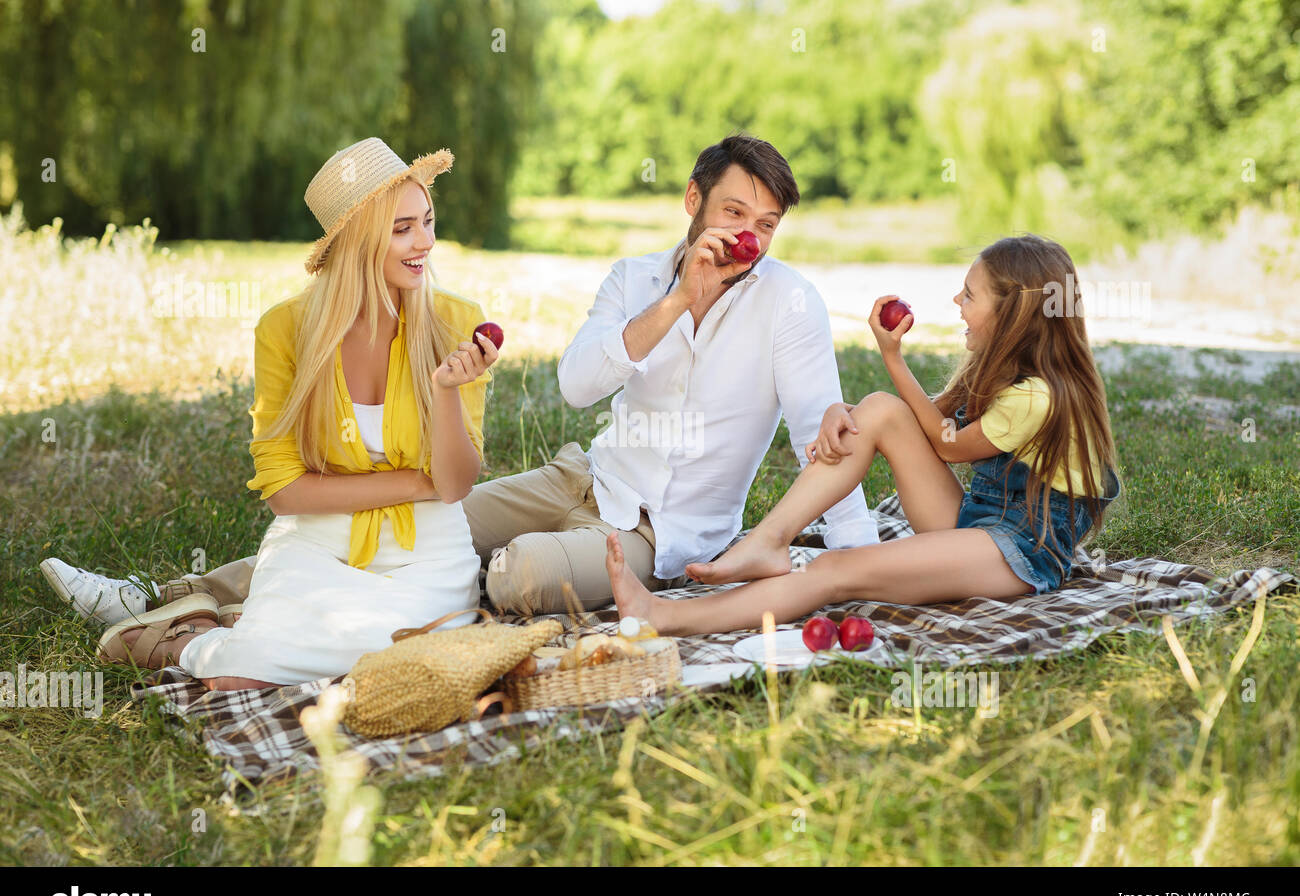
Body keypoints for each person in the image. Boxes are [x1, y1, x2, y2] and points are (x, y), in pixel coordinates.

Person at [43, 134, 879, 625]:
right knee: (407, 520)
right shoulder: (634, 278)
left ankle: (288, 621)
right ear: (693, 201)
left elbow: (822, 434)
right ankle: (166, 595)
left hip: (660, 537)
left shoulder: (791, 305)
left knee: (510, 576)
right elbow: (576, 386)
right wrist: (677, 303)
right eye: (735, 215)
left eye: (766, 224)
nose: (750, 238)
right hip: (580, 479)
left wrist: (859, 569)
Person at [82, 137, 499, 689]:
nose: (425, 242)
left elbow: (453, 486)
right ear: (356, 243)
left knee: (405, 667)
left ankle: (224, 627)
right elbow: (286, 492)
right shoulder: (285, 330)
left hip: (428, 557)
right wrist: (412, 483)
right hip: (317, 541)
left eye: (427, 220)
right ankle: (188, 643)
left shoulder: (455, 321)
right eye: (402, 229)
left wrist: (446, 389)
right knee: (241, 678)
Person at [603, 234, 1122, 636]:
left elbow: (945, 443)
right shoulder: (996, 369)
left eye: (969, 293)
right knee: (875, 410)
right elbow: (909, 419)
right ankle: (768, 540)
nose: (956, 301)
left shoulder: (1038, 397)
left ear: (1012, 313)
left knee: (836, 570)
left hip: (1018, 552)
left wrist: (892, 356)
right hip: (976, 523)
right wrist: (842, 413)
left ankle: (667, 617)